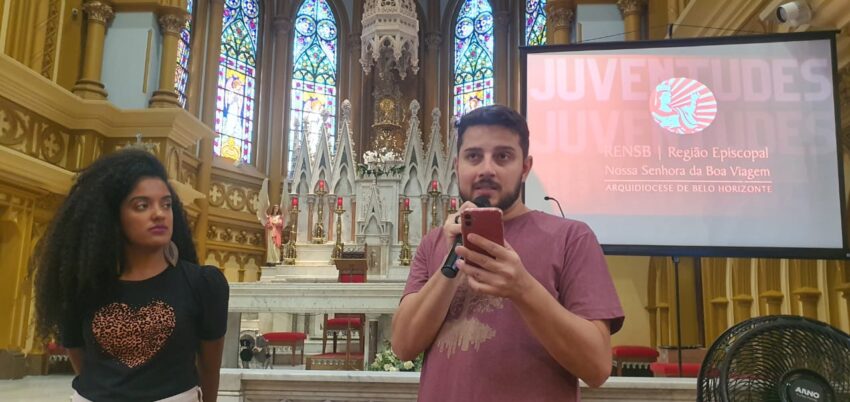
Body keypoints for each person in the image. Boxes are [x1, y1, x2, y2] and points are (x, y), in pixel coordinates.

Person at [391, 105, 624, 401]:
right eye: (474, 156)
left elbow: (597, 368)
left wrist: (522, 288)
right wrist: (453, 260)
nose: (486, 169)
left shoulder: (571, 238)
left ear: (525, 167)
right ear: (457, 166)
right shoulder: (434, 242)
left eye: (503, 156)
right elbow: (403, 346)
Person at [31, 149, 229, 402]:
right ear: (113, 216)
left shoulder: (203, 284)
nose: (159, 213)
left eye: (166, 204)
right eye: (142, 205)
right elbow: (83, 362)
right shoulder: (81, 284)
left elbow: (210, 369)